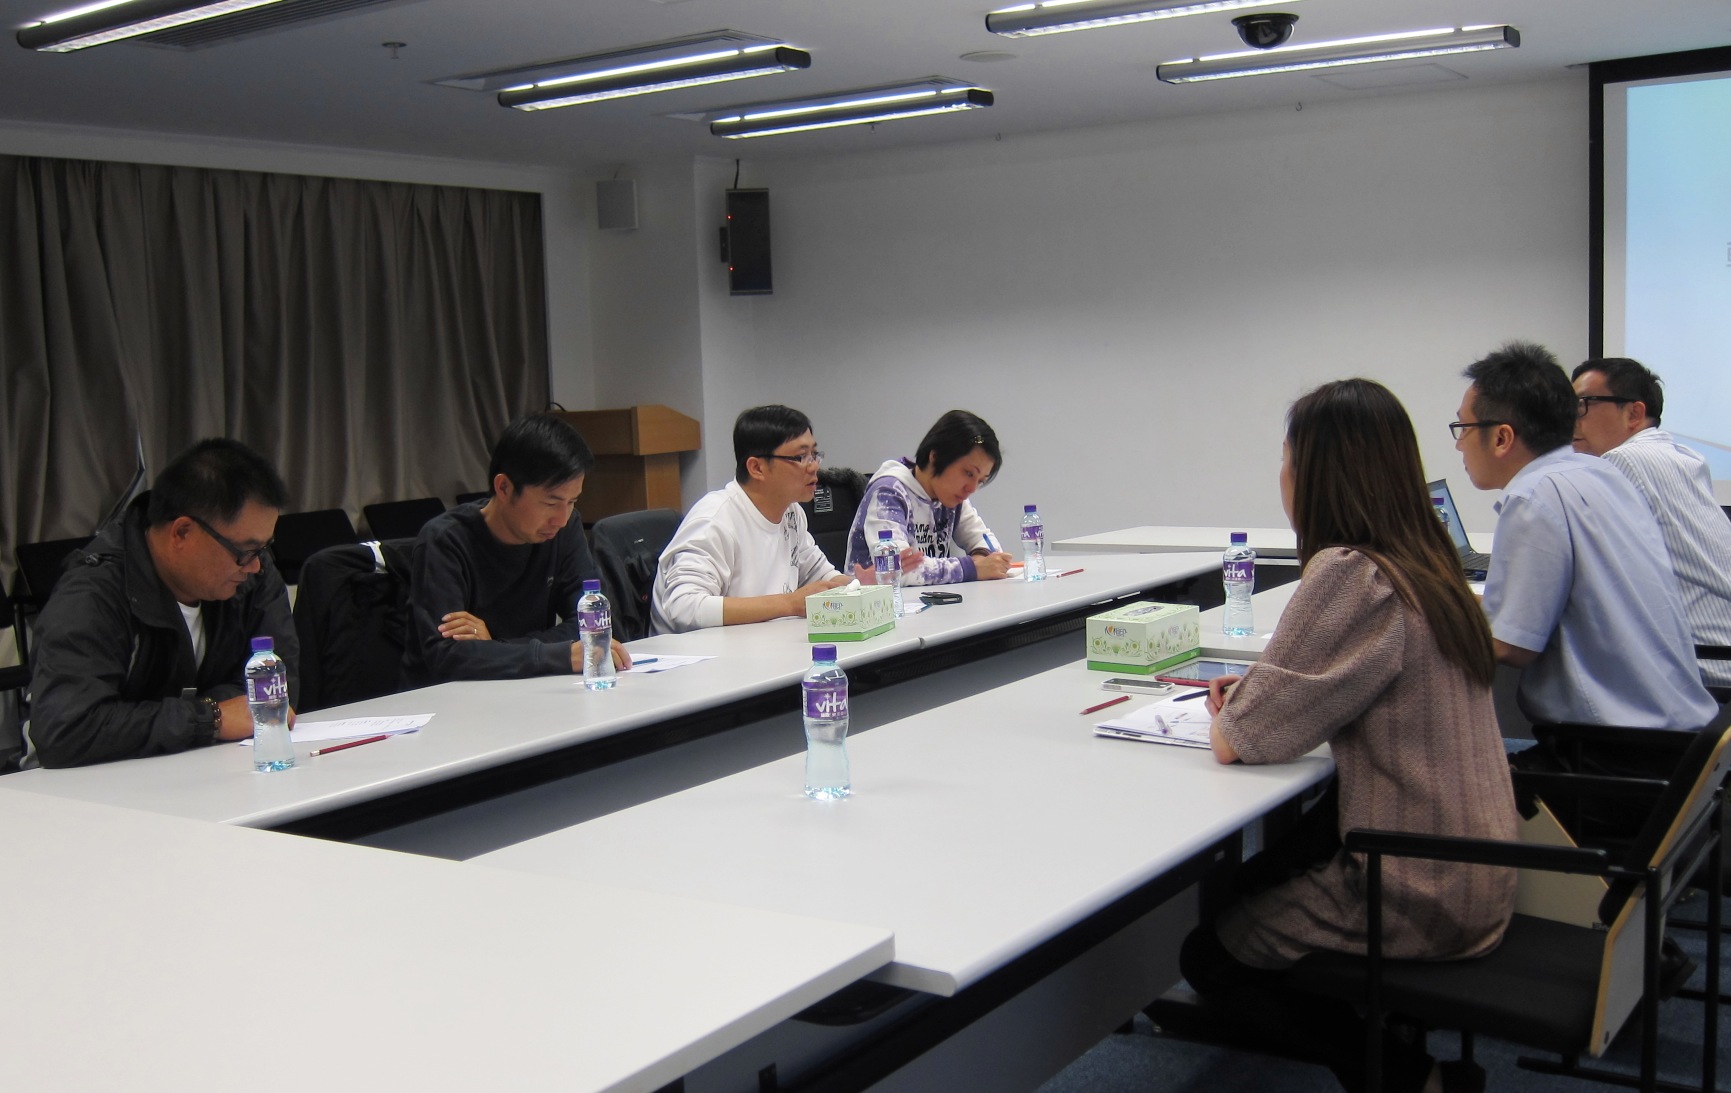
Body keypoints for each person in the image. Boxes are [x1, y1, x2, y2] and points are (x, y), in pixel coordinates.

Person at [1179, 378, 1517, 1093]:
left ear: (1314, 475)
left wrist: (1244, 706)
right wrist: (1267, 691)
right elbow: (1349, 681)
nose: (1280, 475)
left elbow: (1239, 739)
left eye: (1286, 459)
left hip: (1418, 886)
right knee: (1260, 875)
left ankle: (1410, 1078)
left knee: (1210, 956)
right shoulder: (1429, 564)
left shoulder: (1351, 575)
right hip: (1480, 863)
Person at [1454, 341, 1716, 733]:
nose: (1459, 445)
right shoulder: (1599, 472)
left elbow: (1511, 646)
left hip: (1611, 746)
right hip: (1682, 731)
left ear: (1502, 437)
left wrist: (1425, 623)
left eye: (1463, 428)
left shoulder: (1533, 496)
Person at [25, 438, 299, 768]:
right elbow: (66, 730)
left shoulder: (253, 575)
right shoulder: (92, 596)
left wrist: (202, 718)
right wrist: (210, 718)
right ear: (181, 532)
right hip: (89, 784)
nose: (254, 565)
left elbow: (277, 687)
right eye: (245, 551)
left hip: (208, 767)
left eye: (263, 548)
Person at [402, 414, 629, 687]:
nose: (561, 518)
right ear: (504, 487)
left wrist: (495, 647)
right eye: (551, 503)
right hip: (446, 699)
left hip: (525, 687)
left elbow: (594, 625)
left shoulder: (565, 529)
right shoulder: (445, 541)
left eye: (572, 502)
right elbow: (446, 656)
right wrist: (557, 655)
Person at [1571, 357, 1731, 690]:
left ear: (1634, 413)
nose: (1571, 418)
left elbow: (1581, 575)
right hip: (1718, 651)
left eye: (1584, 405)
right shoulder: (1682, 456)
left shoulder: (1623, 460)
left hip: (1700, 666)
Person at [651, 405, 847, 634]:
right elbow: (684, 607)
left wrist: (857, 586)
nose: (814, 466)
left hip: (762, 646)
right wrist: (789, 603)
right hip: (702, 652)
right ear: (756, 468)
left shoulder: (791, 513)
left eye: (814, 454)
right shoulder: (715, 519)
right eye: (801, 457)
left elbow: (820, 575)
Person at [842, 409, 1014, 585]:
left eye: (980, 481)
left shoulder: (951, 497)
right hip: (875, 599)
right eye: (969, 473)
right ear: (936, 456)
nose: (972, 488)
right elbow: (895, 570)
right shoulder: (889, 492)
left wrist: (983, 559)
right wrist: (972, 568)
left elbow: (990, 548)